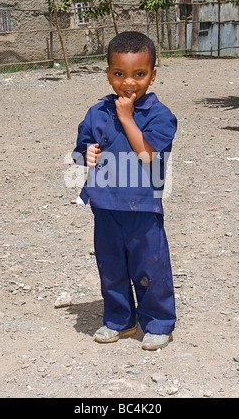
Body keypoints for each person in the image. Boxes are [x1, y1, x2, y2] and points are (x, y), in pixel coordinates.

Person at [72, 31, 177, 350]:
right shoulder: (96, 113)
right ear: (108, 74)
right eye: (119, 74)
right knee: (111, 266)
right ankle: (120, 319)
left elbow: (147, 154)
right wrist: (85, 153)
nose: (128, 83)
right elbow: (79, 149)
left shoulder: (160, 115)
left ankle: (158, 321)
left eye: (139, 74)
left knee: (150, 266)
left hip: (143, 208)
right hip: (104, 206)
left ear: (153, 75)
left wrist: (128, 118)